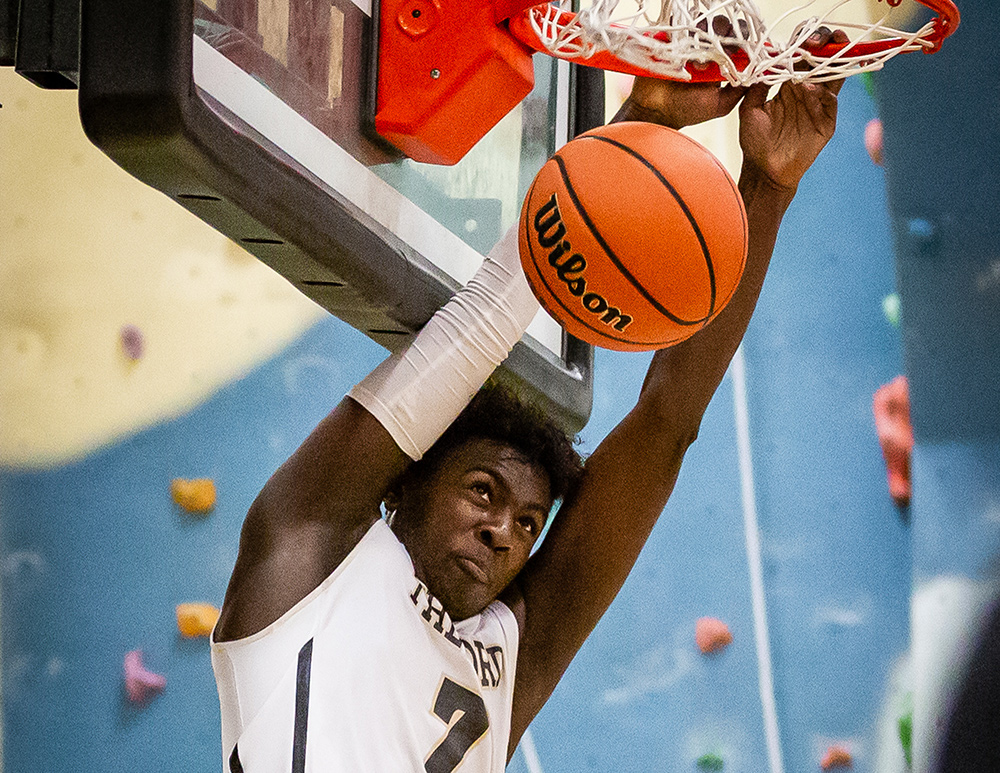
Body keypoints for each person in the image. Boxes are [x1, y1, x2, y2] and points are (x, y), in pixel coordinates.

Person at [210, 57, 844, 772]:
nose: (503, 531)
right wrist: (646, 120)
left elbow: (667, 425)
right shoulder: (310, 555)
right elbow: (484, 318)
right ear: (404, 482)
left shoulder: (508, 651)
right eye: (483, 489)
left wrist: (770, 186)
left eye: (529, 523)